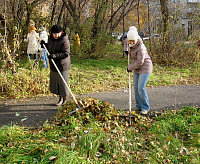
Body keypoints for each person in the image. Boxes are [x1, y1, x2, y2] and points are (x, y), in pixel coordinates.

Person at [41, 25, 71, 106]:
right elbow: (51, 48)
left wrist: (54, 56)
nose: (56, 36)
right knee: (56, 83)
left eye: (57, 34)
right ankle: (60, 99)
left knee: (63, 83)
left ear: (61, 32)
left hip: (63, 64)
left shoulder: (65, 40)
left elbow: (66, 53)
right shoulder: (51, 38)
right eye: (54, 34)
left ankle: (65, 100)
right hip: (54, 64)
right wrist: (44, 45)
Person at [126, 26, 153, 115]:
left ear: (136, 39)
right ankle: (139, 106)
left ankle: (145, 107)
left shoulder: (141, 47)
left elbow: (140, 62)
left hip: (145, 67)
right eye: (130, 41)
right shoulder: (128, 41)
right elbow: (126, 45)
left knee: (141, 88)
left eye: (133, 41)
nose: (131, 42)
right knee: (136, 87)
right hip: (136, 67)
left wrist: (130, 68)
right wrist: (126, 50)